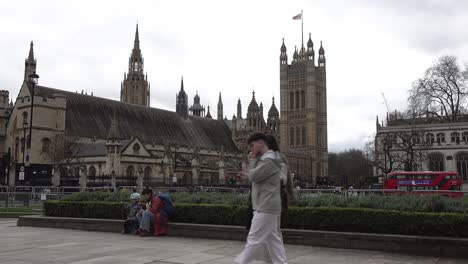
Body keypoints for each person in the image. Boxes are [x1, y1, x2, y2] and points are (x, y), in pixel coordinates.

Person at [235, 133, 288, 264]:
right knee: (275, 243)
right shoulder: (267, 160)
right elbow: (257, 177)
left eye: (252, 146)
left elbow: (255, 176)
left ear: (261, 143)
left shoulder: (271, 160)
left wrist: (251, 164)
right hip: (268, 206)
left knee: (253, 241)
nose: (250, 150)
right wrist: (248, 175)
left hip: (265, 207)